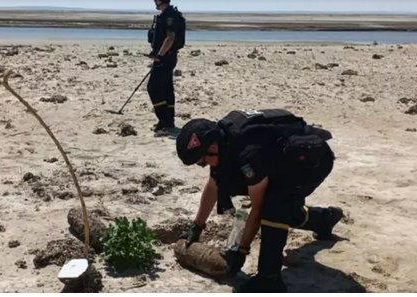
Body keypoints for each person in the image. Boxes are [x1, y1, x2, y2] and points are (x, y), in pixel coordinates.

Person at [175, 108, 344, 293]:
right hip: (280, 163)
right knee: (282, 209)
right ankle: (323, 220)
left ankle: (269, 280)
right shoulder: (223, 141)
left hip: (311, 162)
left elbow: (257, 208)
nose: (204, 166)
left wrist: (241, 251)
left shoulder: (248, 155)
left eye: (202, 162)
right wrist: (197, 226)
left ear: (213, 148)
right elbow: (214, 183)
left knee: (273, 207)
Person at [147, 0, 186, 132]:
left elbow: (170, 37)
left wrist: (160, 54)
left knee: (153, 87)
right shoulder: (169, 14)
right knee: (166, 88)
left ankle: (163, 120)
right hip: (167, 56)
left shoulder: (170, 16)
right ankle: (168, 121)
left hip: (165, 57)